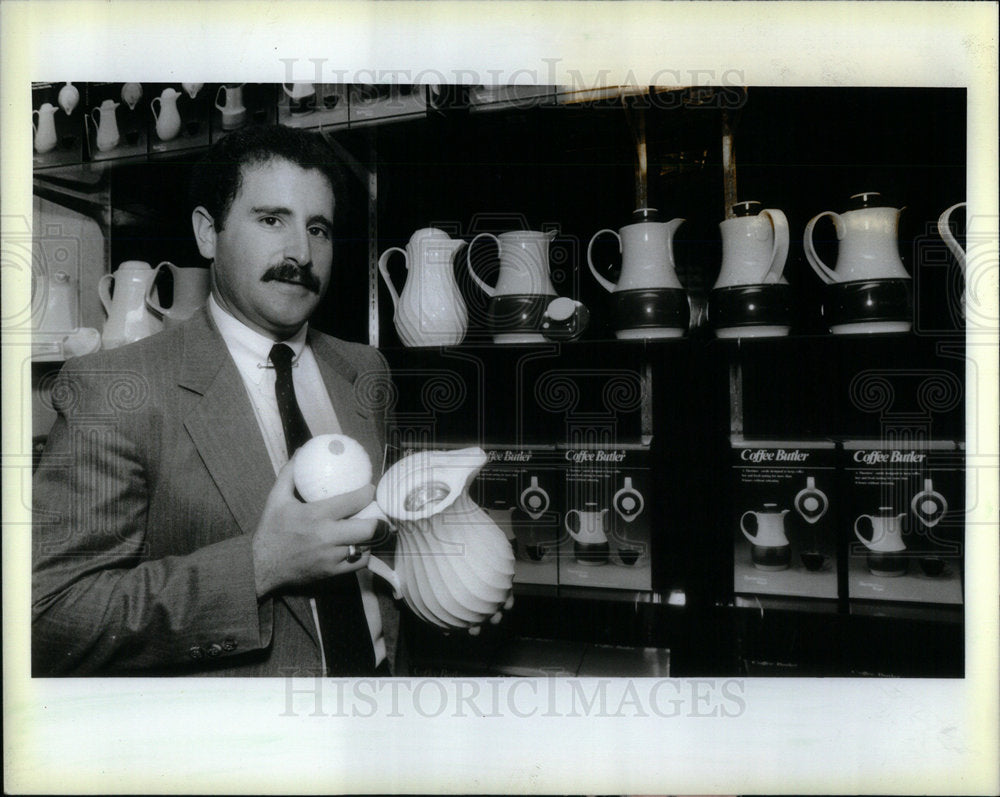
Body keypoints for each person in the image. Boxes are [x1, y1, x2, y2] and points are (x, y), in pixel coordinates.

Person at [32, 124, 401, 676]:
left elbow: (380, 547)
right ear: (208, 233)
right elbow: (48, 617)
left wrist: (446, 591)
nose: (301, 252)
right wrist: (258, 566)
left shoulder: (363, 370)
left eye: (318, 228)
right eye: (272, 219)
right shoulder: (113, 388)